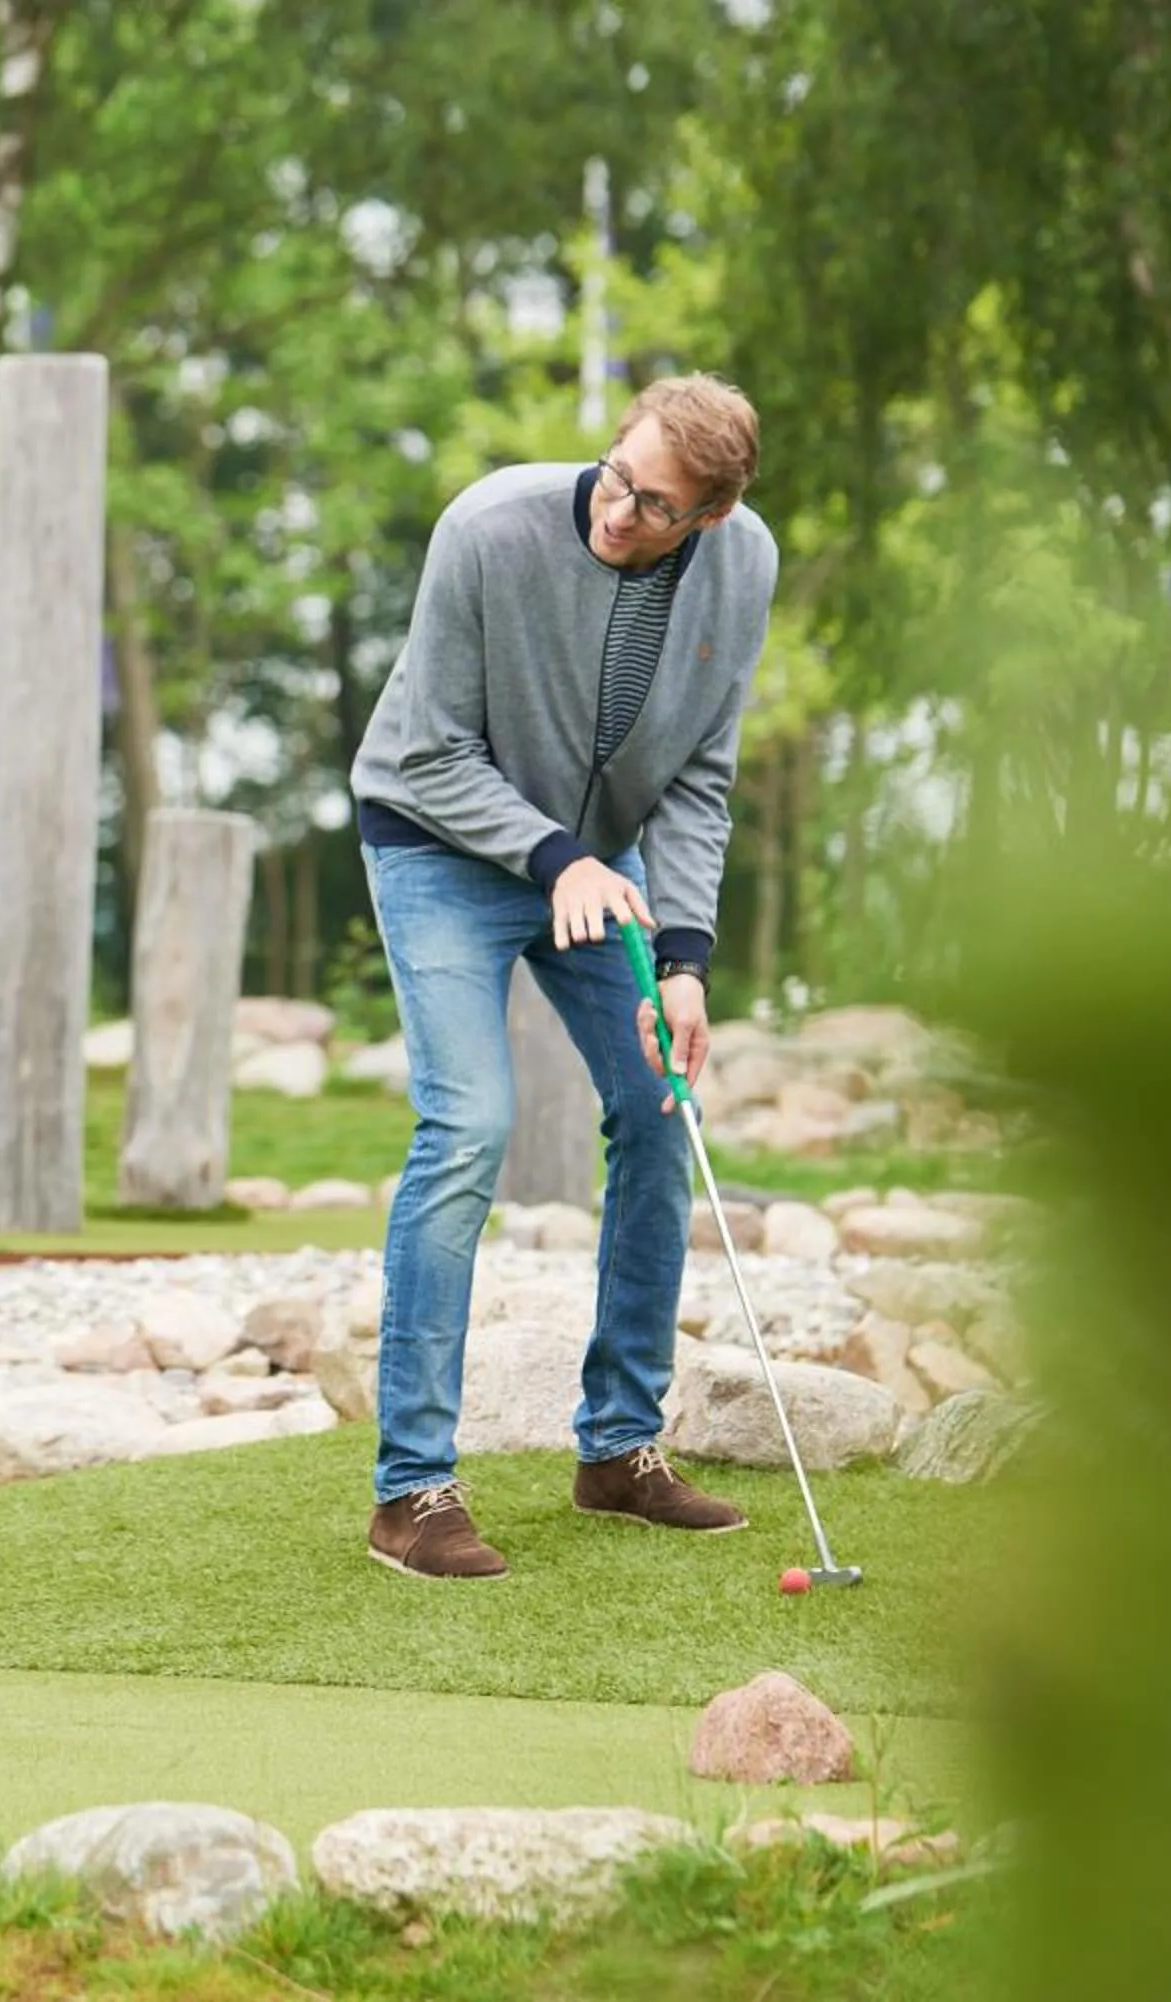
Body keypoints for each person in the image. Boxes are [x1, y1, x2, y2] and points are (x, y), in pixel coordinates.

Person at [348, 374, 779, 1581]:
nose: (618, 512)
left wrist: (684, 961)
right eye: (617, 476)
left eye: (656, 505)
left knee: (659, 1102)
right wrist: (556, 859)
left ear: (711, 517)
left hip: (600, 865)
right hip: (437, 842)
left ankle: (619, 1449)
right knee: (469, 1124)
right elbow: (430, 751)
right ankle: (410, 1492)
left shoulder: (744, 566)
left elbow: (697, 776)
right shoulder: (488, 529)